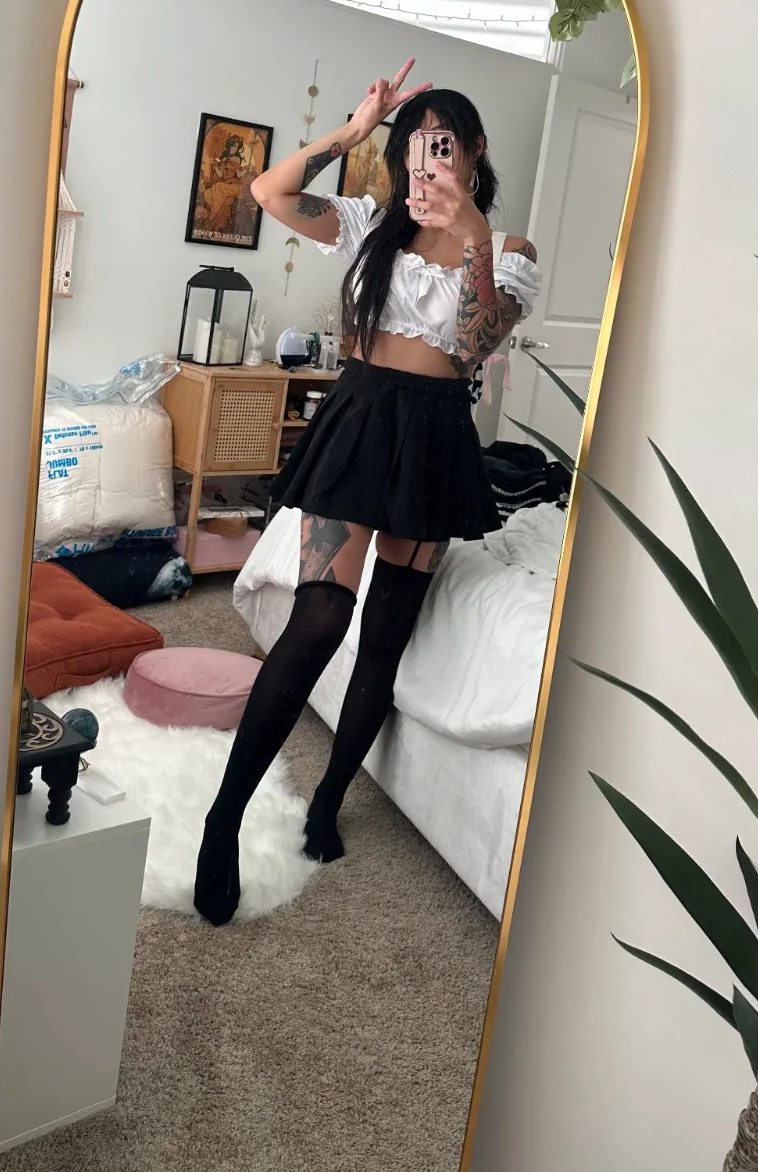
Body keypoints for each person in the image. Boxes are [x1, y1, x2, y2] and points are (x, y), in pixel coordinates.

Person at [193, 60, 541, 926]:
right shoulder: (366, 225)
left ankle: (327, 801)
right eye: (412, 149)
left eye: (442, 147)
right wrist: (351, 132)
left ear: (474, 151)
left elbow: (475, 342)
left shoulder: (510, 251)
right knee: (320, 618)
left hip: (436, 436)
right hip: (359, 419)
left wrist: (471, 231)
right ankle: (223, 818)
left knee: (386, 635)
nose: (426, 165)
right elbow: (270, 193)